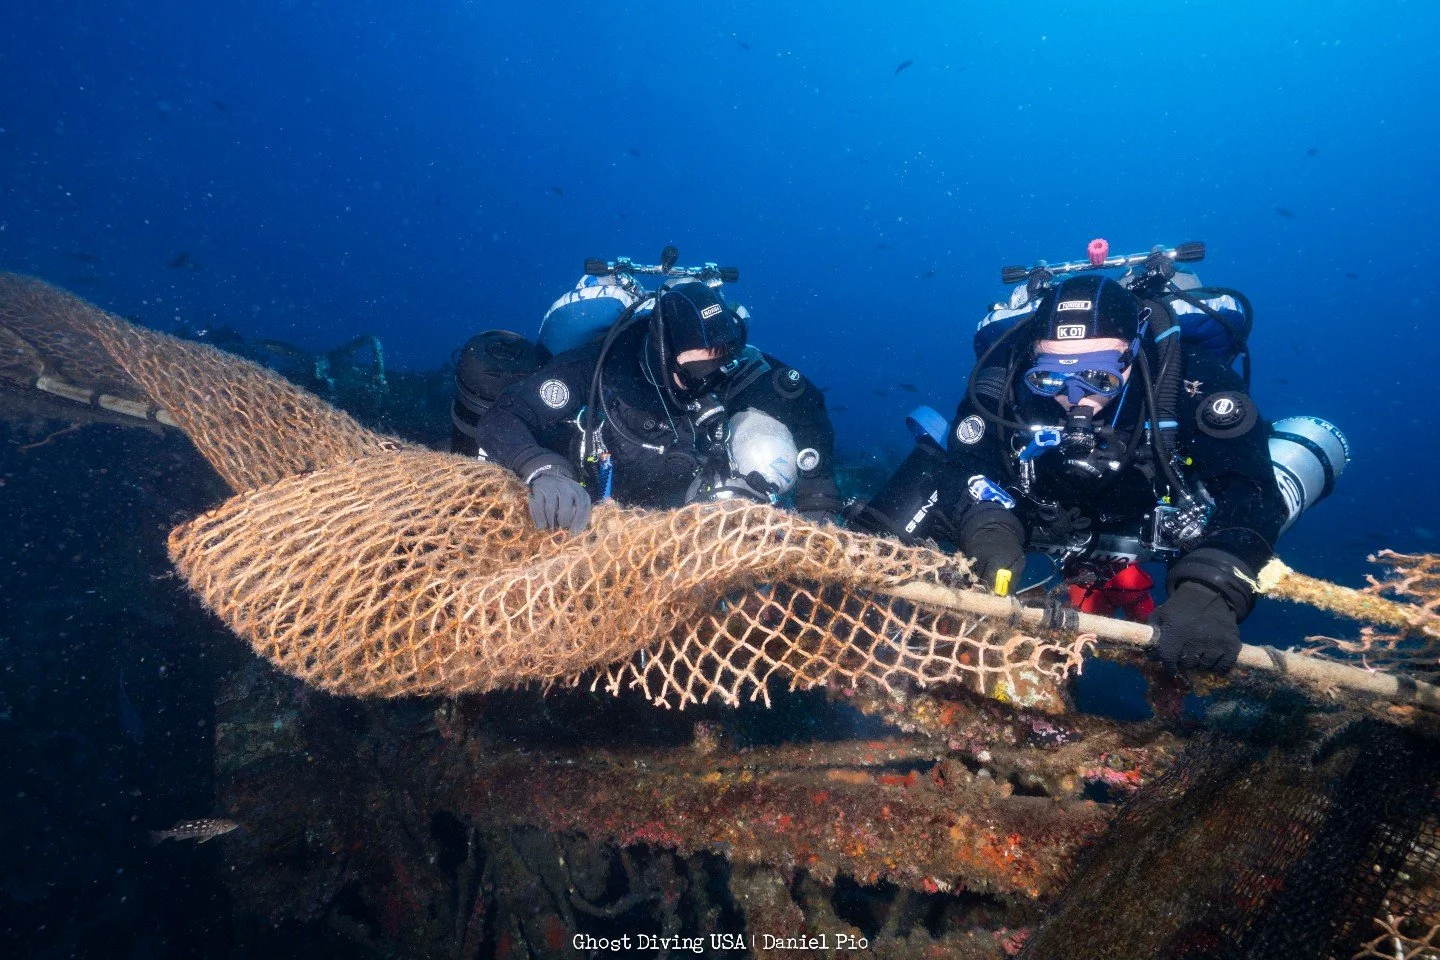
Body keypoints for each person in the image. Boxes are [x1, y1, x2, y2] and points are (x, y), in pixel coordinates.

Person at [853, 265, 1304, 675]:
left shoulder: (1193, 379)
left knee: (1269, 501)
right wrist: (989, 526)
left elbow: (1251, 491)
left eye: (1100, 378)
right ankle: (865, 625)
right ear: (1033, 356)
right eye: (1050, 378)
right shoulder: (1002, 376)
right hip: (1041, 509)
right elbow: (967, 463)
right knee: (929, 470)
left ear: (1134, 351)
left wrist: (1214, 589)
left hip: (1155, 515)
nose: (1074, 398)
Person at [465, 278, 842, 533]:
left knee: (766, 443)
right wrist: (544, 469)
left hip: (693, 506)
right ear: (664, 352)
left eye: (723, 360)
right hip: (599, 504)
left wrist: (818, 495)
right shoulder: (597, 368)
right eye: (698, 368)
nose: (712, 376)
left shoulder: (729, 365)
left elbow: (802, 401)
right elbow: (505, 416)